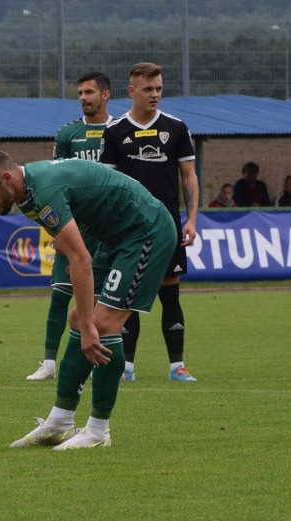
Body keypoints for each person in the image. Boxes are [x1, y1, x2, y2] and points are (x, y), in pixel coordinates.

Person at [0, 146, 176, 450]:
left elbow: (81, 259)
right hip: (115, 237)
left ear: (7, 178)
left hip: (146, 232)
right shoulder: (27, 194)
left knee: (101, 325)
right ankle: (60, 421)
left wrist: (91, 327)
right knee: (78, 318)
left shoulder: (43, 191)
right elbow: (74, 239)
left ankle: (98, 431)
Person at [100, 62, 198, 382]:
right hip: (129, 229)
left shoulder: (177, 128)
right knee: (128, 295)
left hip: (168, 227)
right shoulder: (115, 131)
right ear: (132, 91)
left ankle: (177, 367)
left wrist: (191, 219)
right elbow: (108, 184)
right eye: (148, 89)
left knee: (170, 295)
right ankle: (126, 367)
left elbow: (189, 177)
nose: (155, 94)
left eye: (158, 88)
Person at [26, 71, 113, 381]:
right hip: (73, 225)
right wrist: (57, 231)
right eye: (80, 93)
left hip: (105, 227)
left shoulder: (118, 131)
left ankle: (98, 359)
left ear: (106, 95)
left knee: (99, 298)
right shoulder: (67, 135)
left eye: (89, 92)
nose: (83, 98)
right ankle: (49, 362)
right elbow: (54, 178)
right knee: (61, 293)